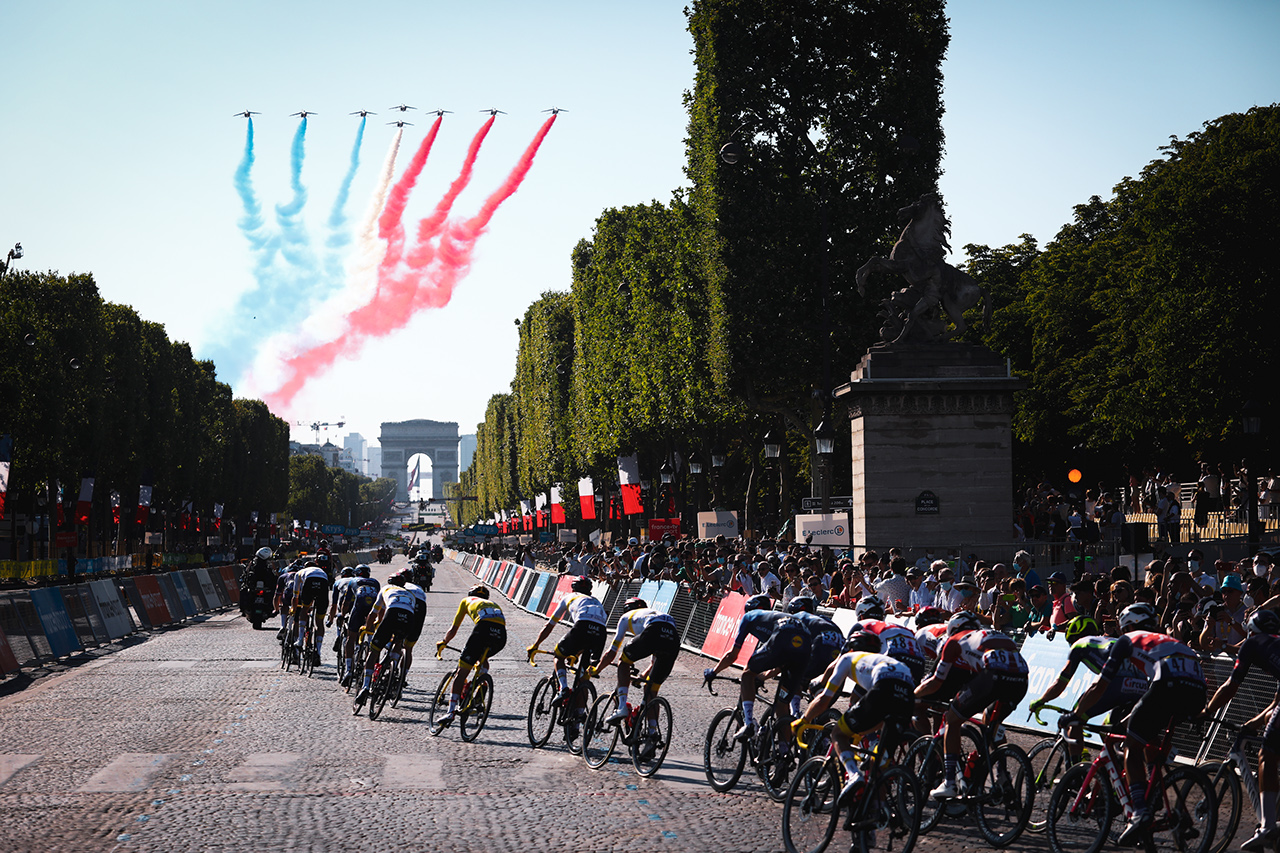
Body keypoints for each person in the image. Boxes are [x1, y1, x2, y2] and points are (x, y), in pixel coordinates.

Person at [1073, 603, 1206, 844]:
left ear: (1127, 627)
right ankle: (1161, 799)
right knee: (1146, 736)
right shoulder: (1164, 640)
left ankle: (1140, 812)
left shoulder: (1126, 640)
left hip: (1168, 685)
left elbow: (1100, 686)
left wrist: (1077, 714)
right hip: (1198, 692)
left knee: (1131, 747)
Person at [914, 611, 1029, 799]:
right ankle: (1002, 774)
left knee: (952, 719)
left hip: (993, 676)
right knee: (991, 724)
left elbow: (935, 682)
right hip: (1021, 680)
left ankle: (949, 783)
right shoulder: (991, 634)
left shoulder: (953, 640)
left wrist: (913, 695)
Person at [794, 631, 915, 801]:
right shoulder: (884, 660)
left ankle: (853, 775)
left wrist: (804, 720)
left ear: (851, 648)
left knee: (838, 733)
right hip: (907, 696)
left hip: (883, 688)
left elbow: (824, 699)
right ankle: (878, 810)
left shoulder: (847, 658)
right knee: (876, 767)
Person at [1201, 610, 1280, 851]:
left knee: (1266, 755)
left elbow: (1230, 686)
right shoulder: (1275, 645)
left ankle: (1267, 827)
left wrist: (1207, 711)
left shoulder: (1252, 643)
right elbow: (1276, 704)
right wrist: (1252, 724)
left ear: (1251, 631)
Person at [1028, 616, 1144, 760]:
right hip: (1141, 684)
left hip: (1116, 683)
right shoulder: (1109, 639)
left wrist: (1041, 700)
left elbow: (1060, 683)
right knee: (1108, 730)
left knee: (1074, 718)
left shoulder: (1079, 644)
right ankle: (1116, 766)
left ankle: (1076, 768)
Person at [704, 593, 812, 745]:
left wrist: (714, 671)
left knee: (747, 675)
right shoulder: (774, 618)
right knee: (782, 706)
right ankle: (784, 750)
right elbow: (779, 665)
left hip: (784, 638)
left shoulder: (749, 617)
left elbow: (732, 655)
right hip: (804, 643)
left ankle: (749, 724)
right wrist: (762, 677)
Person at [527, 576, 608, 742]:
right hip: (600, 634)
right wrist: (577, 653)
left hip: (582, 628)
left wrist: (536, 644)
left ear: (573, 588)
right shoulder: (596, 601)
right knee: (583, 677)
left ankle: (563, 688)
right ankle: (577, 721)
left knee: (559, 656)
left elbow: (550, 625)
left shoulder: (569, 597)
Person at [595, 598, 680, 746]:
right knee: (651, 690)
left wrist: (597, 669)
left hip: (653, 631)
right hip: (673, 638)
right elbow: (654, 661)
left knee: (624, 661)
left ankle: (622, 707)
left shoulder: (626, 617)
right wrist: (642, 676)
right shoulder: (653, 613)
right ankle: (652, 734)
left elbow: (611, 652)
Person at [434, 585, 507, 728]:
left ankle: (450, 712)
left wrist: (444, 642)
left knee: (461, 672)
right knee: (483, 657)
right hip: (501, 635)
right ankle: (481, 681)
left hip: (483, 629)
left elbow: (454, 629)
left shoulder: (466, 601)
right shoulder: (494, 604)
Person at [352, 570, 416, 712]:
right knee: (398, 642)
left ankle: (365, 687)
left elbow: (373, 613)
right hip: (409, 618)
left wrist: (368, 628)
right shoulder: (410, 594)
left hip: (392, 613)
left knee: (374, 651)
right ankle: (393, 669)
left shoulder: (385, 589)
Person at [847, 594, 925, 684]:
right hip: (918, 664)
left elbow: (842, 660)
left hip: (892, 663)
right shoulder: (902, 629)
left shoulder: (863, 624)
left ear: (861, 617)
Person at [337, 565, 380, 687]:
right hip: (372, 609)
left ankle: (348, 670)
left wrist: (343, 615)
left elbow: (346, 602)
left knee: (351, 638)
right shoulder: (375, 582)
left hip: (359, 608)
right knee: (372, 639)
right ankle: (372, 665)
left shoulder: (353, 581)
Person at [292, 561, 332, 664]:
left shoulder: (299, 573)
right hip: (323, 583)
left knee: (304, 609)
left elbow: (295, 596)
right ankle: (318, 651)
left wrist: (294, 609)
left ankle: (300, 640)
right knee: (319, 621)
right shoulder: (322, 571)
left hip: (309, 581)